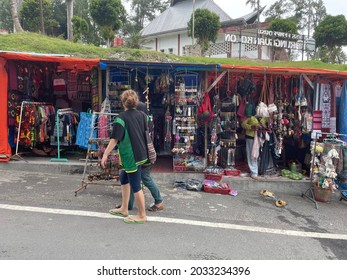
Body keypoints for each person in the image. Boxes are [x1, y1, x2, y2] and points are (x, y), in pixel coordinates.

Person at [101, 90, 147, 224]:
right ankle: (124, 208)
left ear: (123, 102)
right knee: (124, 178)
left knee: (135, 185)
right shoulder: (142, 115)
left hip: (131, 155)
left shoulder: (120, 118)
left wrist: (105, 154)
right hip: (140, 153)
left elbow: (115, 139)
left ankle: (142, 215)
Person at [116, 101, 164, 212]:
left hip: (143, 155)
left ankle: (159, 201)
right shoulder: (145, 119)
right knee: (132, 178)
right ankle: (128, 204)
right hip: (141, 154)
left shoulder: (141, 119)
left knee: (144, 178)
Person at [241, 111, 266, 180]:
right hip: (250, 138)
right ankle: (254, 172)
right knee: (251, 154)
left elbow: (267, 126)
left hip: (259, 138)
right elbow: (243, 124)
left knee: (258, 155)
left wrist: (263, 126)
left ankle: (256, 171)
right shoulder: (251, 118)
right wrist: (251, 127)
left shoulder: (264, 119)